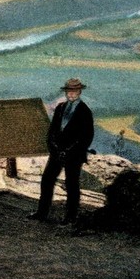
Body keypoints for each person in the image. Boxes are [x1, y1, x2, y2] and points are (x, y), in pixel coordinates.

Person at [27, 78, 94, 224]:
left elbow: (86, 137)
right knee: (47, 180)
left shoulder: (85, 111)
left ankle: (70, 217)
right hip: (57, 153)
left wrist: (69, 151)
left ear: (79, 92)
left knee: (72, 184)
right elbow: (52, 131)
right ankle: (41, 213)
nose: (71, 94)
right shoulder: (60, 108)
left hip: (74, 155)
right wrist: (54, 148)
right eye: (68, 91)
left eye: (74, 91)